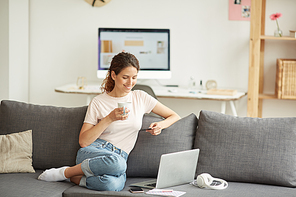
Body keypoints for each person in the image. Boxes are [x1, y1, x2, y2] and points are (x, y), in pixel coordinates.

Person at [38, 52, 180, 191]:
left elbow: (174, 115)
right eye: (125, 77)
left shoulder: (141, 97)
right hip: (94, 151)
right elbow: (84, 141)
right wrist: (109, 118)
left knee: (113, 185)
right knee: (119, 164)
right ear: (113, 75)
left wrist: (160, 125)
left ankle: (76, 178)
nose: (130, 83)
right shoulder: (98, 102)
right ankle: (66, 172)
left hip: (118, 157)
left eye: (134, 77)